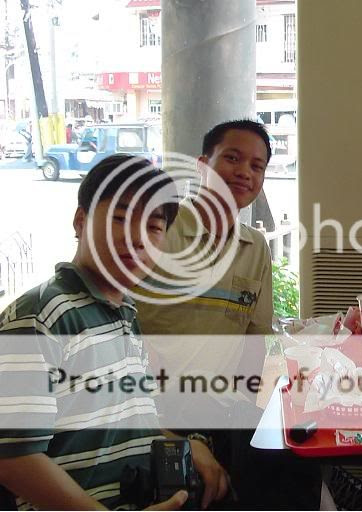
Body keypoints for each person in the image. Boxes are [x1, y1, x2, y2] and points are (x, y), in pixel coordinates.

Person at [0, 154, 228, 509]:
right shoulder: (40, 316)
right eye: (120, 218)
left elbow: (129, 418)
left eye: (154, 227)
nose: (137, 238)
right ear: (80, 221)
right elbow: (13, 457)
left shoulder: (124, 313)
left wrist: (186, 445)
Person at [135, 120, 328, 509]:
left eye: (257, 166)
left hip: (220, 412)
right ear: (202, 165)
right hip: (156, 414)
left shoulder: (254, 247)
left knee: (303, 460)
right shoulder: (159, 233)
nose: (244, 172)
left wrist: (253, 413)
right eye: (233, 158)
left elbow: (255, 343)